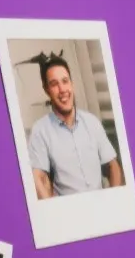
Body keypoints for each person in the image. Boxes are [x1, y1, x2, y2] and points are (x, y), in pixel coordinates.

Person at [26, 52, 124, 199]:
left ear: (72, 83)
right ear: (47, 90)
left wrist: (114, 200)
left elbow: (113, 166)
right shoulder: (40, 130)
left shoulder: (92, 122)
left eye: (65, 81)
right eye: (54, 84)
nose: (62, 90)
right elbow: (38, 178)